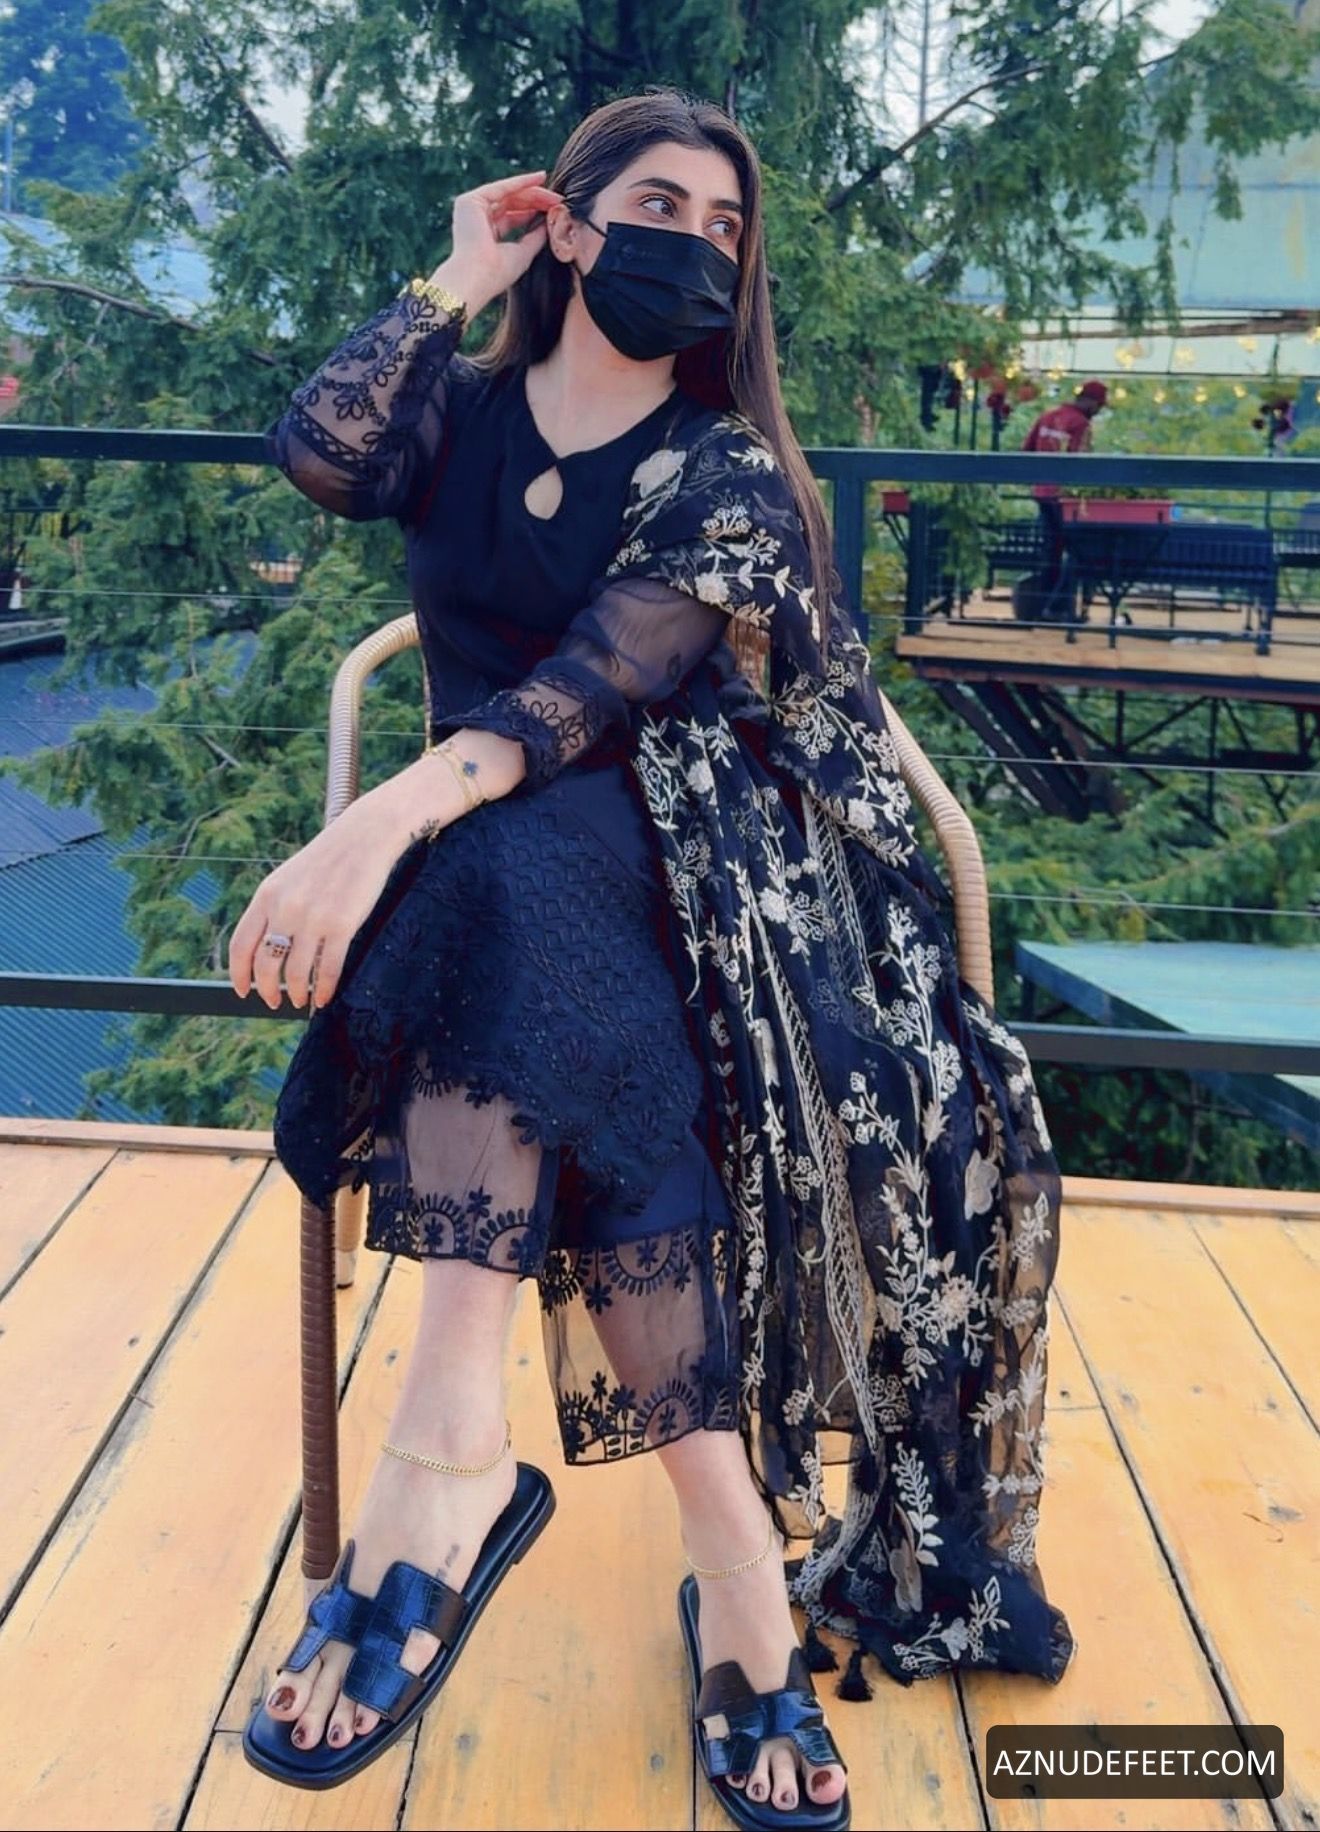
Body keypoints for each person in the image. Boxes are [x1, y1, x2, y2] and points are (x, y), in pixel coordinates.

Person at [230, 85, 1075, 1823]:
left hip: (697, 855)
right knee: (527, 927)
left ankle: (443, 1468)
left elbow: (590, 692)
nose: (697, 245)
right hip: (502, 881)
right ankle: (733, 1575)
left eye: (725, 227)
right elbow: (321, 453)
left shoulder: (728, 470)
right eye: (660, 208)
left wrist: (379, 819)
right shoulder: (458, 411)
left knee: (507, 864)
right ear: (570, 222)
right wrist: (457, 280)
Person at [1021, 380, 1107, 591]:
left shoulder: (1047, 416)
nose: (1098, 411)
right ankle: (1060, 598)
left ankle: (1045, 594)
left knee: (1051, 545)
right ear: (1090, 402)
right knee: (1075, 546)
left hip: (1042, 491)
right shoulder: (1081, 424)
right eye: (1099, 405)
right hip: (1064, 496)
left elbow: (1026, 450)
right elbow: (1079, 462)